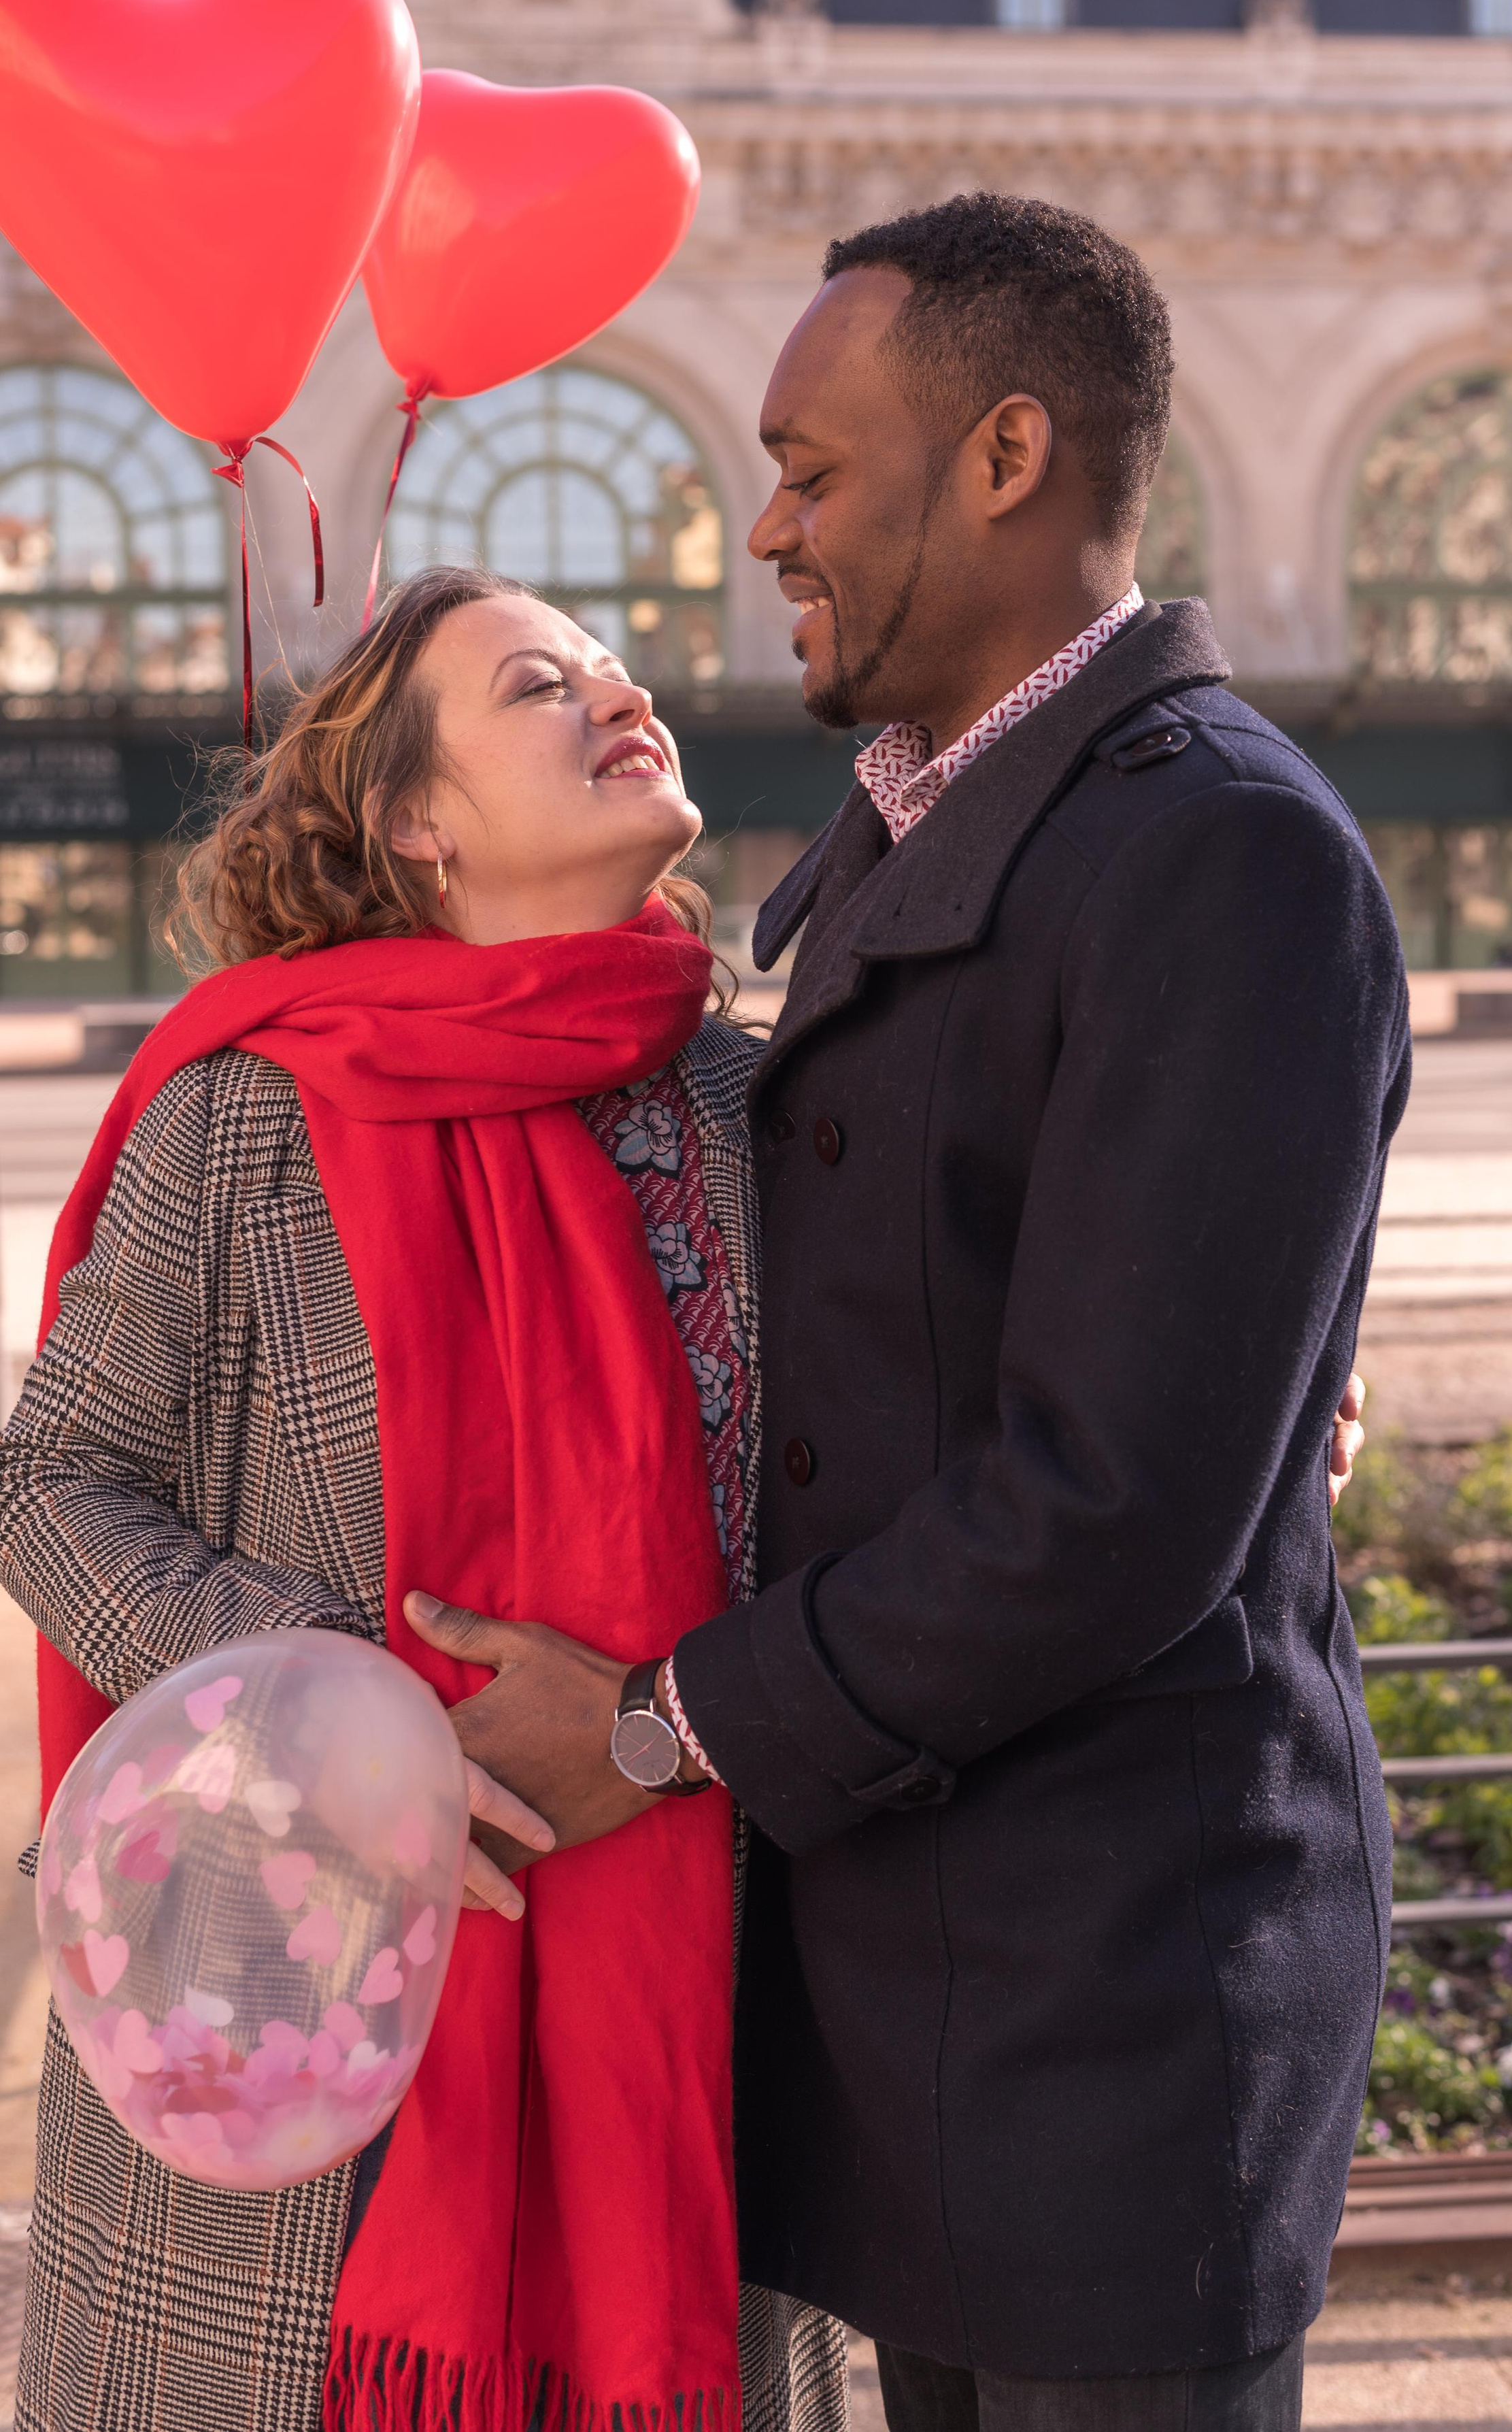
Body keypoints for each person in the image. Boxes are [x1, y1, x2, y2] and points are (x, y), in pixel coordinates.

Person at [430, 195, 1410, 2432]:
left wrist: (659, 1724)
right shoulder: (948, 826)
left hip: (1110, 2010)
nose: (765, 525)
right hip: (934, 1990)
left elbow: (1107, 1503)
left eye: (812, 465)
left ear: (1004, 458)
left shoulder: (1218, 850)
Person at [0, 566, 847, 2432]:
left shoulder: (758, 1105)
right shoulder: (250, 1103)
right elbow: (54, 1477)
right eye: (544, 685)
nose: (620, 697)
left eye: (621, 670)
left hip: (675, 2005)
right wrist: (336, 1729)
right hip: (292, 2005)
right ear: (418, 820)